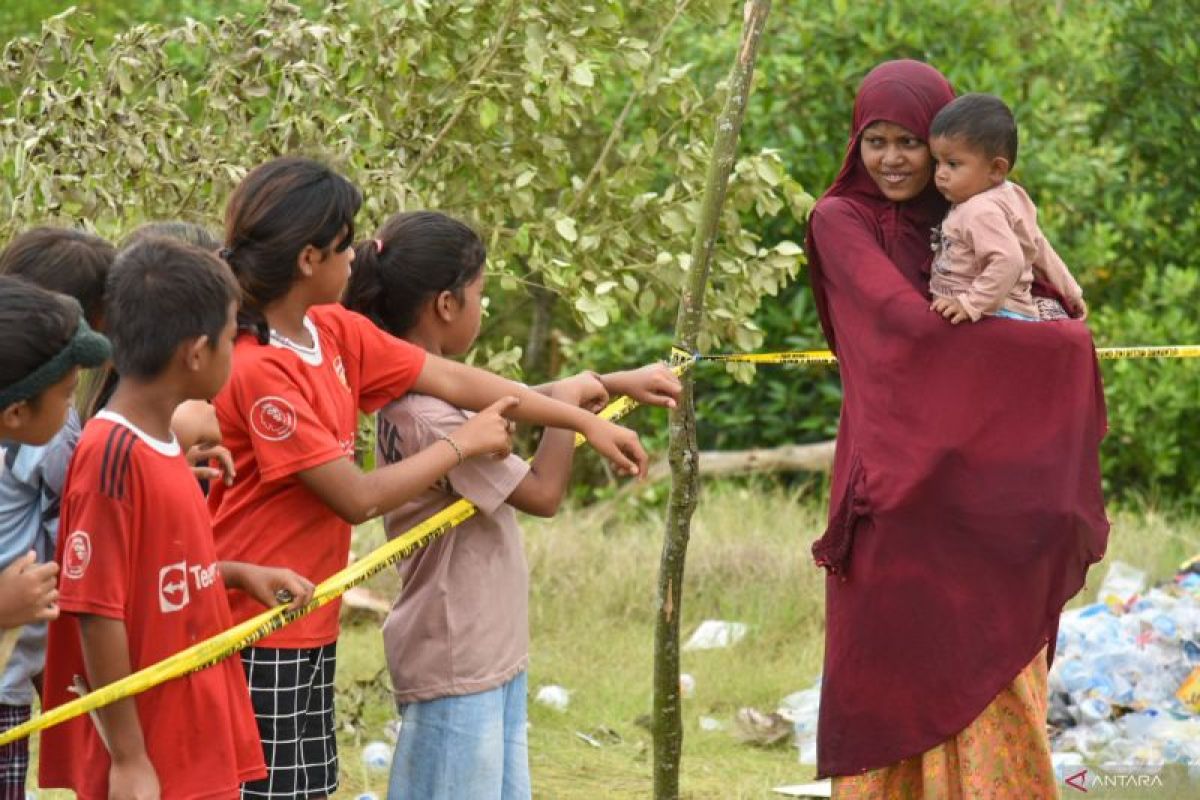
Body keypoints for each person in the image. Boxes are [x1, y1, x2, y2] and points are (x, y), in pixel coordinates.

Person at [209, 157, 651, 799]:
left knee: (305, 790)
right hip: (250, 625)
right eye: (344, 243)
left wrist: (589, 412)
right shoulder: (260, 371)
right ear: (308, 260)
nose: (355, 257)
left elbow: (459, 380)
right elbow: (354, 498)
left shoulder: (332, 332)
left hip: (309, 616)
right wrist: (465, 443)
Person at [804, 60, 1108, 797]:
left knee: (994, 658)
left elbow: (1034, 282)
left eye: (912, 142)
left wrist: (1064, 318)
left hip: (986, 491)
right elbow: (907, 331)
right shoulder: (839, 220)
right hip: (896, 488)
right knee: (896, 661)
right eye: (875, 140)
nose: (895, 160)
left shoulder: (969, 204)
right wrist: (1061, 347)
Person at [342, 211, 680, 800]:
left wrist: (611, 383)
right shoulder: (434, 419)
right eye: (480, 296)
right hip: (458, 655)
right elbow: (543, 494)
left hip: (480, 648)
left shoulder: (417, 394)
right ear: (447, 305)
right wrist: (576, 416)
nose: (483, 307)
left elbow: (518, 402)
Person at [37, 238, 315, 799]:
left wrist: (234, 574)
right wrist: (130, 758)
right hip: (153, 751)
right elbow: (95, 610)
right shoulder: (110, 454)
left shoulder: (165, 443)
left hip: (194, 731)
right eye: (233, 336)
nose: (236, 351)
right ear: (195, 352)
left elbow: (158, 569)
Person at [0, 227, 115, 791]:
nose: (76, 409)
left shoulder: (23, 435)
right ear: (19, 412)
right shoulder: (50, 440)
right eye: (69, 394)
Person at [926, 93, 1086, 324]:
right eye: (936, 162)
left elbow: (1009, 261)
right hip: (1008, 309)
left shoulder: (979, 210)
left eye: (953, 164)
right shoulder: (1010, 195)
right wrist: (1071, 291)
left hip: (993, 315)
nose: (940, 174)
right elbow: (1039, 246)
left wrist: (970, 303)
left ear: (996, 169)